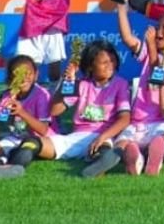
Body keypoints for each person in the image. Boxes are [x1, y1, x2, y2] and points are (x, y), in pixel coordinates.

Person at [112, 5, 164, 176]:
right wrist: (121, 8)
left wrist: (150, 45)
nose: (159, 32)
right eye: (158, 27)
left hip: (163, 119)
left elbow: (159, 70)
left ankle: (149, 157)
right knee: (122, 143)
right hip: (138, 120)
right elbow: (127, 38)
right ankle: (128, 158)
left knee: (162, 139)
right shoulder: (148, 53)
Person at [39, 40, 133, 177]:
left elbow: (125, 119)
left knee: (105, 150)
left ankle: (100, 165)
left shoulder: (120, 84)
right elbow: (55, 110)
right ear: (90, 66)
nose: (110, 66)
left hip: (105, 135)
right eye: (104, 62)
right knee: (37, 144)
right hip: (77, 136)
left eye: (112, 61)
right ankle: (14, 160)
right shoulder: (81, 84)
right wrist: (66, 83)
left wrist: (102, 137)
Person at [0, 54, 51, 180]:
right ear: (11, 77)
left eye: (28, 73)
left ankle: (8, 165)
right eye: (18, 74)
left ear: (36, 75)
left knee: (24, 151)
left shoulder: (41, 95)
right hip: (14, 137)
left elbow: (44, 130)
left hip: (37, 139)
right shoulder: (7, 95)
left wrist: (21, 112)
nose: (24, 78)